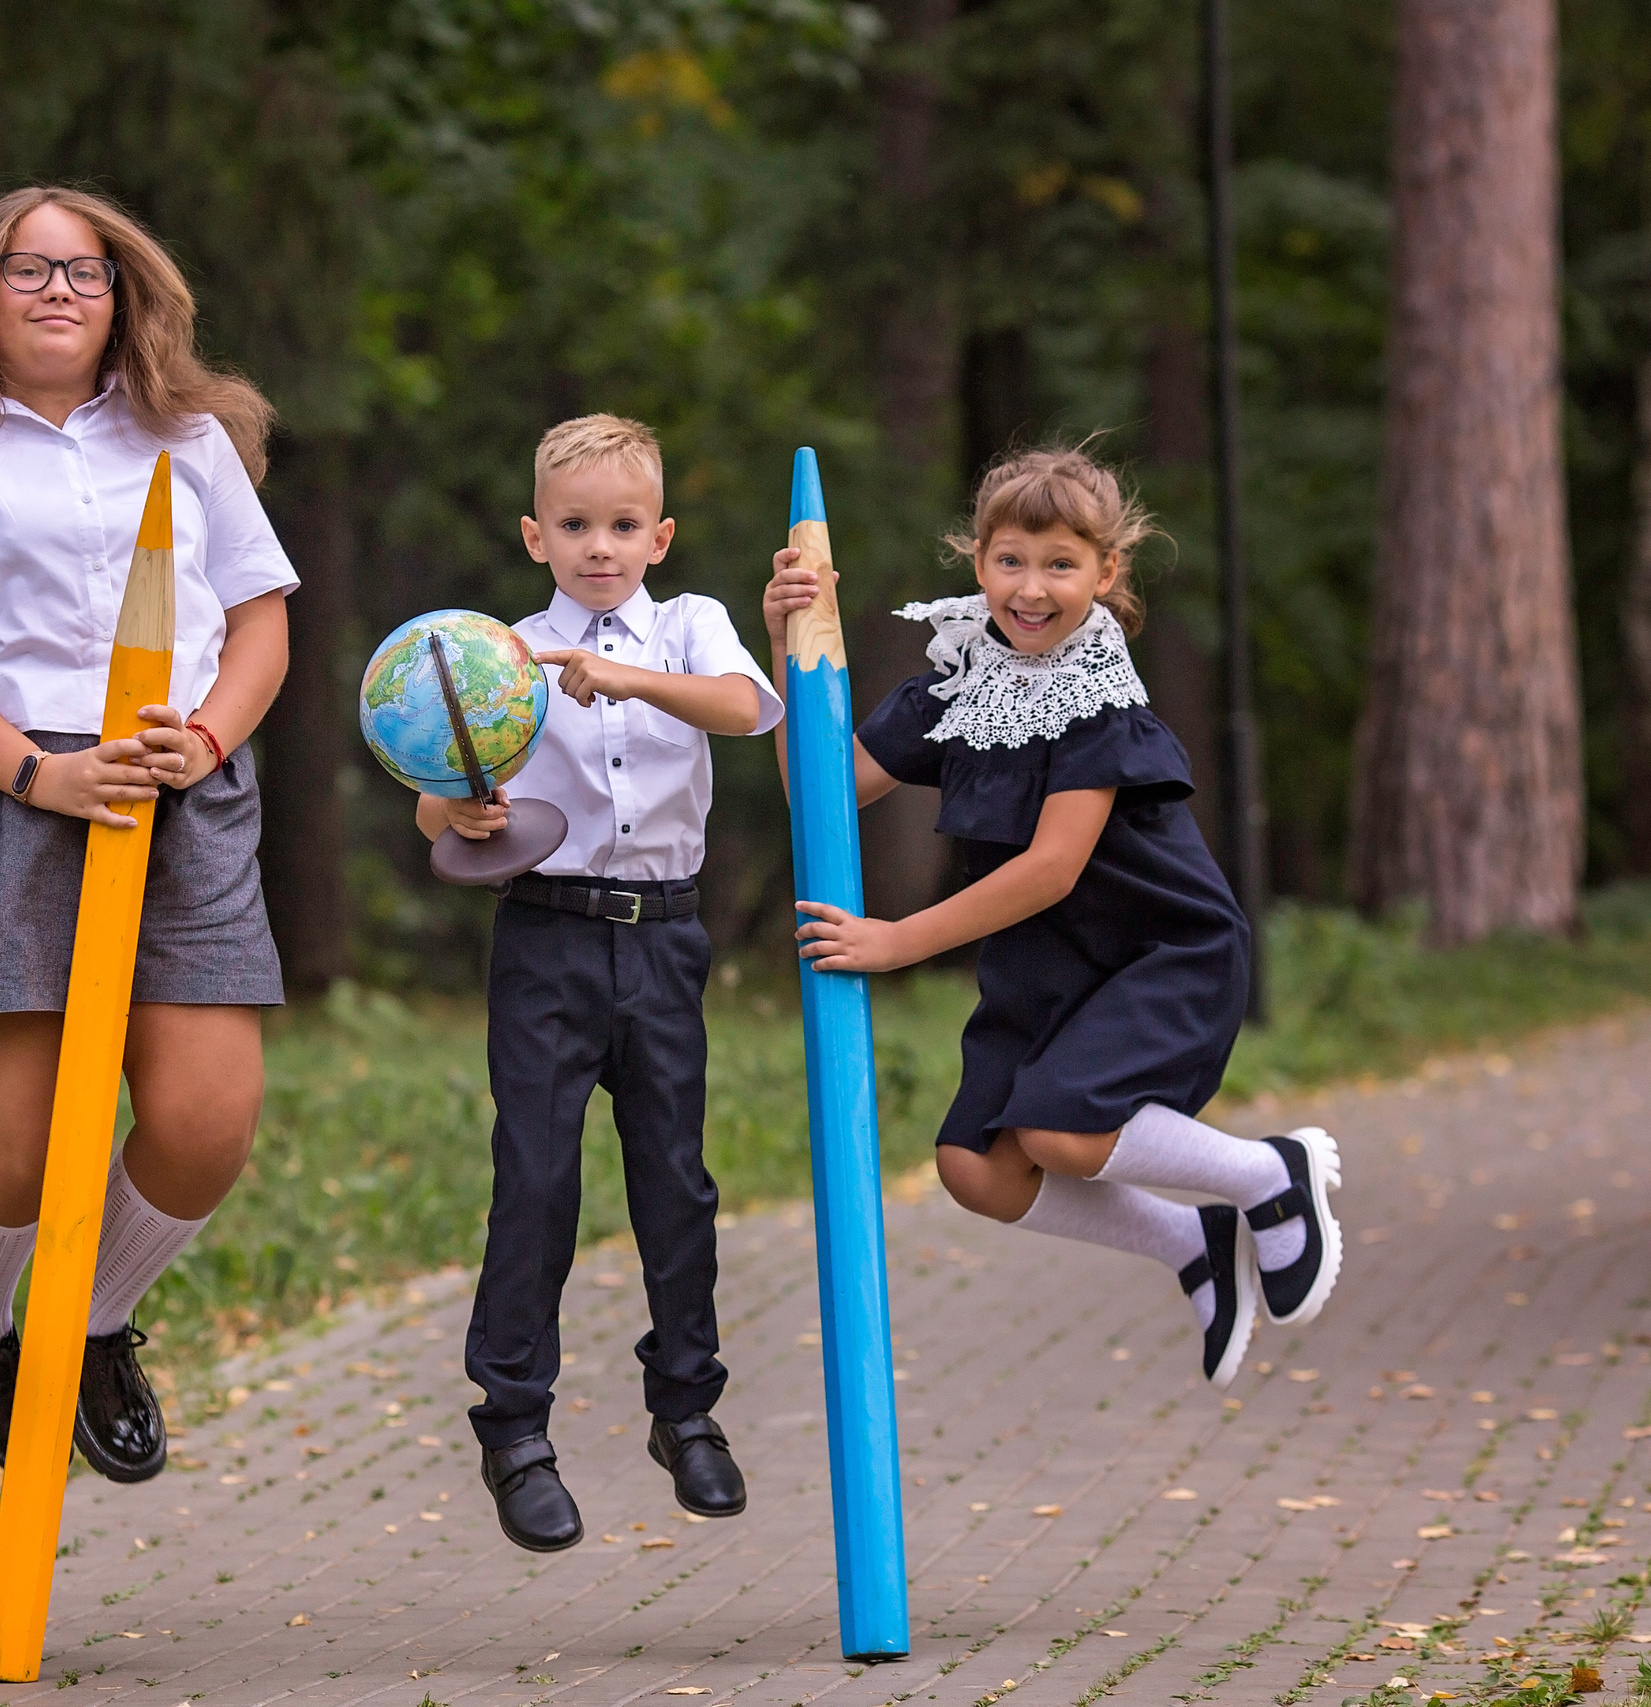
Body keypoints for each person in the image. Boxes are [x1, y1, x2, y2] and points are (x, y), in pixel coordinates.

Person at [0, 186, 296, 1478]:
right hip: (11, 790)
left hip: (180, 788)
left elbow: (260, 622)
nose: (59, 289)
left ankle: (91, 1321)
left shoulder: (191, 439)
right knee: (35, 1139)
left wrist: (204, 738)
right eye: (28, 268)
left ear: (122, 297)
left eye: (86, 270)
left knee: (206, 1119)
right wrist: (43, 776)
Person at [761, 445, 1342, 1388]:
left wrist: (897, 941)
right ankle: (1193, 1241)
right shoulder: (957, 679)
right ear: (979, 561)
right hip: (1049, 967)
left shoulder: (1095, 699)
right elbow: (815, 791)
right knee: (976, 1167)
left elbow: (1052, 867)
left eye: (1060, 564)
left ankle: (1269, 1173)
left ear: (1105, 573)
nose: (1031, 588)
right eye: (1011, 561)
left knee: (1063, 1131)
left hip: (1159, 950)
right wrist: (782, 640)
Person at [420, 414, 783, 1551]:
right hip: (547, 936)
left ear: (658, 536)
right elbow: (434, 797)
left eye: (623, 525)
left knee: (675, 1179)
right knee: (535, 1179)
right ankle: (514, 1429)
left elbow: (744, 708)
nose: (599, 546)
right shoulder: (503, 653)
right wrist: (458, 813)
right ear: (536, 535)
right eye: (574, 525)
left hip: (665, 938)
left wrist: (621, 678)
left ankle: (688, 1409)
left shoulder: (689, 626)